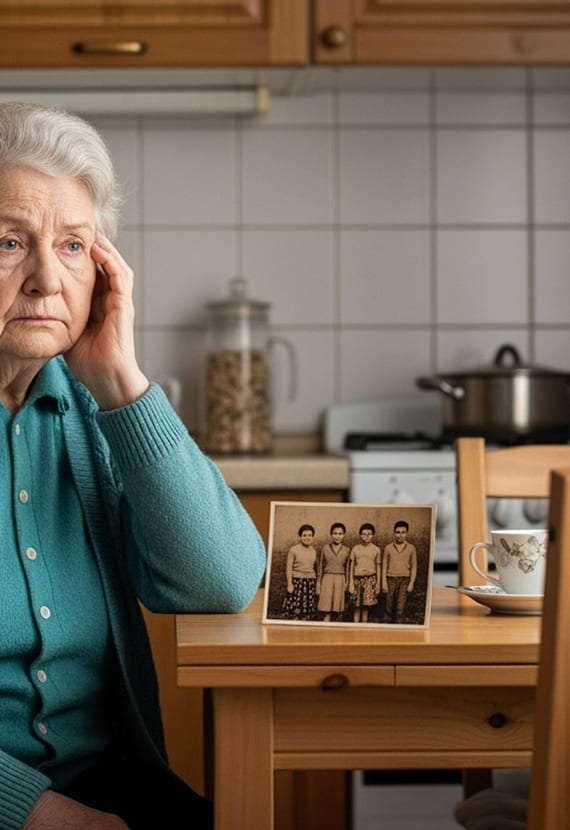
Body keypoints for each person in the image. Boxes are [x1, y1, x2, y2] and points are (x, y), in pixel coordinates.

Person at [0, 102, 267, 830]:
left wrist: (120, 379)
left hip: (108, 783)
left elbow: (220, 581)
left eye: (74, 247)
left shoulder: (90, 413)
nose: (45, 279)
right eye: (9, 243)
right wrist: (42, 814)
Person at [381, 520, 418, 623]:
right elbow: (384, 566)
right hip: (390, 579)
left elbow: (414, 567)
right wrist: (384, 583)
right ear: (394, 533)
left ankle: (399, 626)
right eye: (397, 532)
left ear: (406, 533)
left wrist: (411, 583)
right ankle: (387, 626)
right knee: (388, 606)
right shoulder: (388, 548)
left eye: (403, 532)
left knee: (400, 607)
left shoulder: (411, 548)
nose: (400, 535)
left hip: (404, 580)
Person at [282, 524, 318, 620]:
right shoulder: (293, 550)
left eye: (310, 535)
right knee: (296, 611)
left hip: (310, 583)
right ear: (300, 537)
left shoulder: (314, 551)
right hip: (297, 582)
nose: (307, 538)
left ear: (313, 537)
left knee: (307, 611)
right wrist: (290, 584)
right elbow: (289, 568)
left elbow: (315, 569)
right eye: (304, 535)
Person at [347, 522, 381, 623]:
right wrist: (351, 583)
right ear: (360, 535)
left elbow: (378, 566)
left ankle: (363, 629)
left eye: (369, 534)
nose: (366, 536)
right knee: (357, 607)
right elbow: (351, 566)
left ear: (373, 535)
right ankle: (355, 629)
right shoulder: (355, 548)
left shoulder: (376, 550)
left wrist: (378, 584)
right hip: (357, 580)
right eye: (364, 534)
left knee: (366, 608)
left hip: (370, 580)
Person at [317, 522, 349, 622]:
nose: (337, 536)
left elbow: (348, 568)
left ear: (343, 535)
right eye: (335, 533)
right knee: (326, 609)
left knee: (338, 609)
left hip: (340, 579)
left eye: (340, 534)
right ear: (331, 534)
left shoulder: (347, 550)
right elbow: (320, 567)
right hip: (327, 579)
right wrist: (318, 583)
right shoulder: (325, 548)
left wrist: (347, 582)